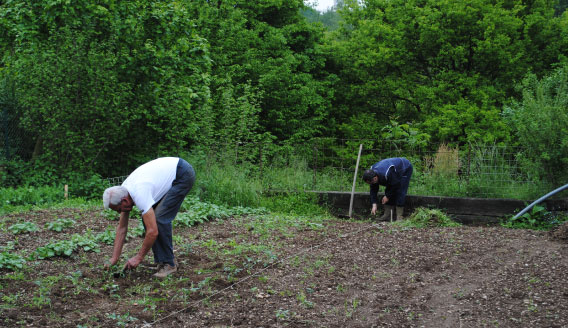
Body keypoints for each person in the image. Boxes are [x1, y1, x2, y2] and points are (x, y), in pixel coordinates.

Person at [102, 157, 195, 278]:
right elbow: (122, 228)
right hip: (168, 173)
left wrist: (138, 258)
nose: (120, 212)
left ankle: (169, 264)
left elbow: (153, 232)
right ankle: (162, 261)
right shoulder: (124, 191)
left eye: (119, 209)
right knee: (150, 219)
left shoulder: (139, 193)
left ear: (124, 200)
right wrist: (114, 258)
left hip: (182, 174)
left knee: (158, 219)